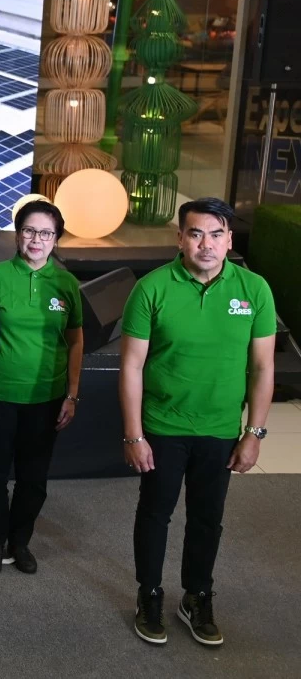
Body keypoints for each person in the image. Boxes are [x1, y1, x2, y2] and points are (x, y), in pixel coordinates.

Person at [121, 198, 276, 647]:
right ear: (180, 239)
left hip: (221, 428)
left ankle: (197, 596)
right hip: (162, 426)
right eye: (195, 234)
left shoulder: (254, 290)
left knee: (208, 518)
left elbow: (263, 367)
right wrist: (133, 434)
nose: (206, 244)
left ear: (229, 240)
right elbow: (131, 366)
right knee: (155, 514)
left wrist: (254, 433)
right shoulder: (151, 288)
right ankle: (149, 594)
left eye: (216, 234)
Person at [0, 200, 83, 575]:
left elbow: (76, 340)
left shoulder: (66, 284)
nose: (37, 239)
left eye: (46, 233)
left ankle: (20, 541)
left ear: (56, 239)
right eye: (29, 231)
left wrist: (72, 393)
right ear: (18, 234)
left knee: (33, 478)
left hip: (46, 398)